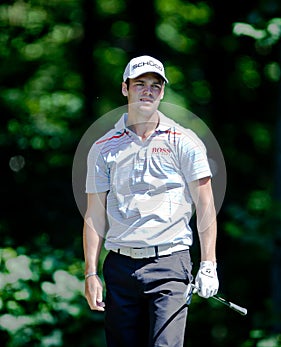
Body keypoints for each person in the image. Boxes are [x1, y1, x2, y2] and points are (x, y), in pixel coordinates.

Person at [83, 55, 219, 347]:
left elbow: (206, 206)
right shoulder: (102, 147)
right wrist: (90, 273)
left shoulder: (185, 140)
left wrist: (209, 264)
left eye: (155, 86)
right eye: (140, 84)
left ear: (163, 92)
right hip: (119, 266)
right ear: (125, 88)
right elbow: (94, 214)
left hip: (170, 263)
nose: (148, 91)